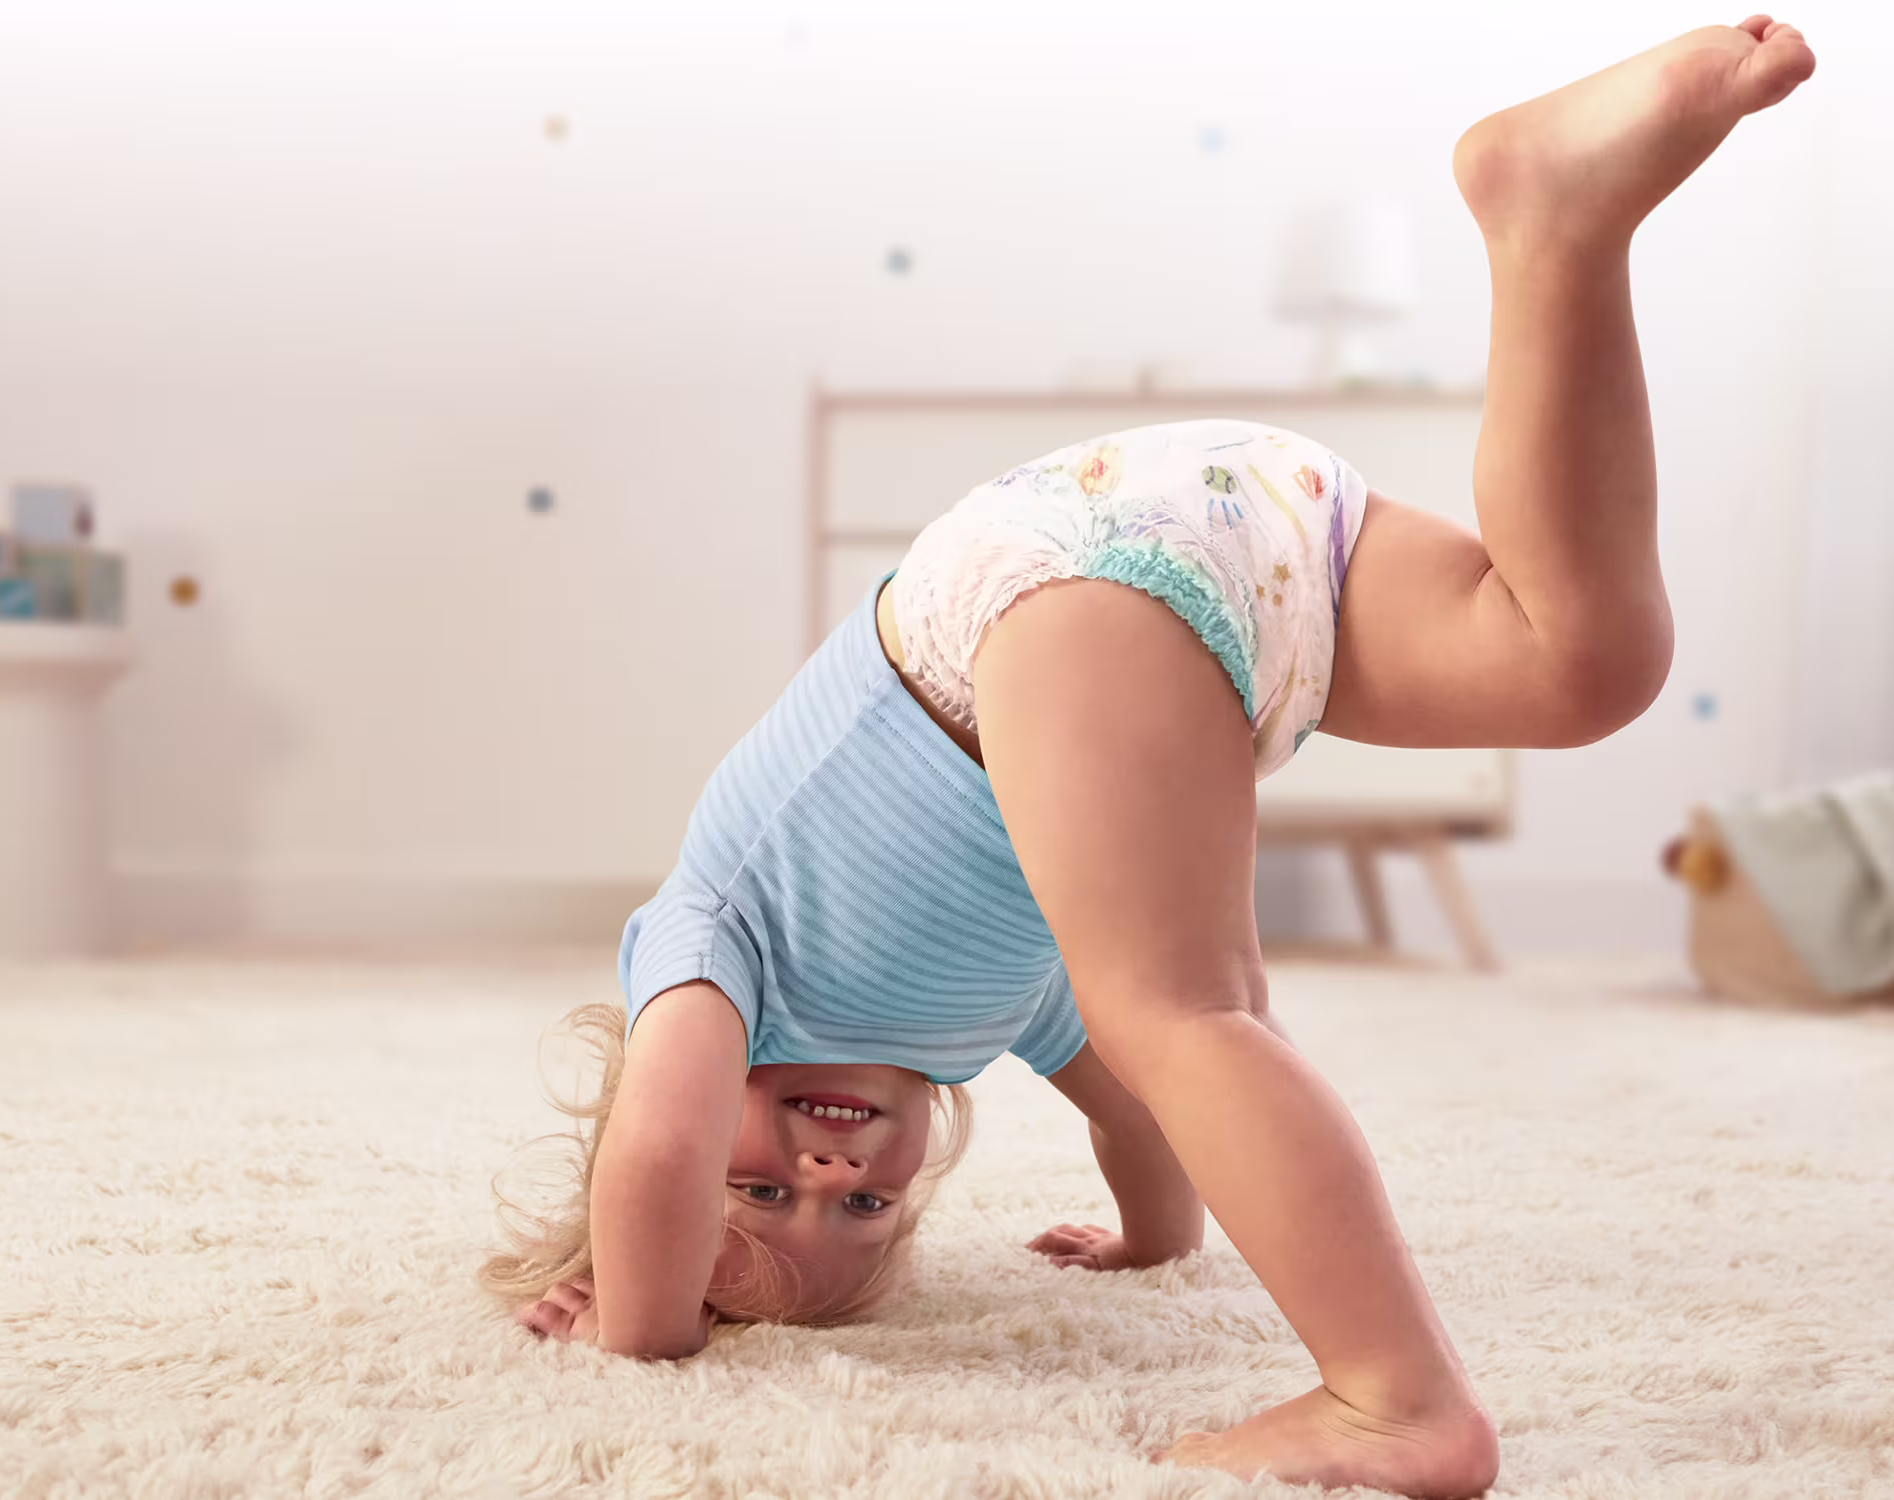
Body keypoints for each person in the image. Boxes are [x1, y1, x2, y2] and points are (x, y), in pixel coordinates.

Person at [485, 19, 1815, 1494]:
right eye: (861, 1216)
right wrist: (1155, 1234)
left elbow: (657, 1156)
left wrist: (641, 1328)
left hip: (1034, 600)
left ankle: (1396, 1398)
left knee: (1192, 1007)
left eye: (760, 1186)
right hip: (1222, 528)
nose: (826, 1173)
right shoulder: (978, 1009)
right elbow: (1137, 1106)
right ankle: (1557, 222)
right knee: (1576, 663)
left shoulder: (708, 956)